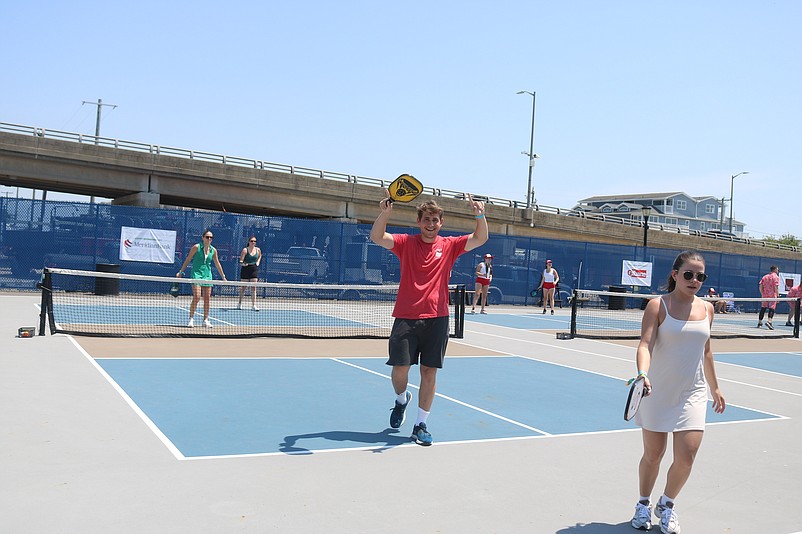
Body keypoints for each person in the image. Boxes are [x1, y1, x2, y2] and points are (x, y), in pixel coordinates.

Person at [370, 192, 488, 446]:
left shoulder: (449, 246)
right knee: (400, 370)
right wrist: (385, 213)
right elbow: (377, 237)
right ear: (419, 221)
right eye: (426, 219)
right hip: (406, 316)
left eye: (435, 220)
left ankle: (420, 425)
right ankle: (401, 400)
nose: (431, 224)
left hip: (437, 318)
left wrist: (479, 214)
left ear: (441, 223)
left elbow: (481, 237)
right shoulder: (405, 243)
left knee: (428, 371)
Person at [629, 250, 725, 534]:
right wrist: (642, 374)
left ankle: (667, 505)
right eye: (688, 274)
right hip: (656, 391)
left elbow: (706, 351)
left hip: (692, 392)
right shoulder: (658, 306)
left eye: (700, 276)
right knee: (654, 455)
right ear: (675, 275)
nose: (694, 280)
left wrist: (715, 387)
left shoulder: (707, 309)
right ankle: (643, 503)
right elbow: (645, 344)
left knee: (687, 456)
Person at [176, 229, 228, 328]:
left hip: (207, 275)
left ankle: (205, 320)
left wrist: (223, 277)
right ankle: (191, 319)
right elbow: (188, 259)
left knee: (207, 299)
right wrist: (181, 272)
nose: (209, 239)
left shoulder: (213, 250)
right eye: (207, 237)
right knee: (197, 296)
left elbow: (217, 263)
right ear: (203, 238)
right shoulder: (196, 247)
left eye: (211, 237)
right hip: (196, 274)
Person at [237, 235, 262, 311]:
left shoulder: (258, 250)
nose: (253, 243)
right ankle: (239, 303)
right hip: (245, 269)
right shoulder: (245, 250)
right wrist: (244, 264)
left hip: (254, 269)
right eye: (252, 241)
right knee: (243, 288)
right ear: (248, 242)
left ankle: (254, 305)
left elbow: (260, 256)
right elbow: (241, 261)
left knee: (253, 288)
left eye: (254, 241)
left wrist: (257, 262)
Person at [758, 265, 780, 329]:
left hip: (765, 295)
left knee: (763, 308)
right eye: (777, 270)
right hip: (772, 295)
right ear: (775, 270)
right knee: (772, 308)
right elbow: (776, 287)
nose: (778, 271)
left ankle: (759, 322)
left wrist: (762, 293)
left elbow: (760, 286)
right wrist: (777, 296)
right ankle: (769, 321)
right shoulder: (776, 277)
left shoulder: (765, 277)